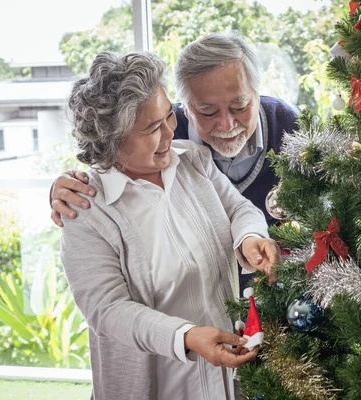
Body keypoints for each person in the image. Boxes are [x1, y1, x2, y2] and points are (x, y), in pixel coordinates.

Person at [60, 51, 280, 400]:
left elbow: (240, 209)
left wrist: (250, 236)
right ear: (112, 139)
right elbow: (108, 311)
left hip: (224, 383)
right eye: (152, 128)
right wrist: (187, 337)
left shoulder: (193, 160)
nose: (169, 132)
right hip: (162, 387)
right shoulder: (86, 210)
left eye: (168, 117)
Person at [50, 32, 299, 292]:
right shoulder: (162, 137)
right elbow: (110, 162)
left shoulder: (289, 126)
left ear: (257, 93)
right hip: (209, 306)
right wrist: (64, 190)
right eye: (207, 111)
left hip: (283, 297)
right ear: (184, 107)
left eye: (239, 106)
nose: (227, 124)